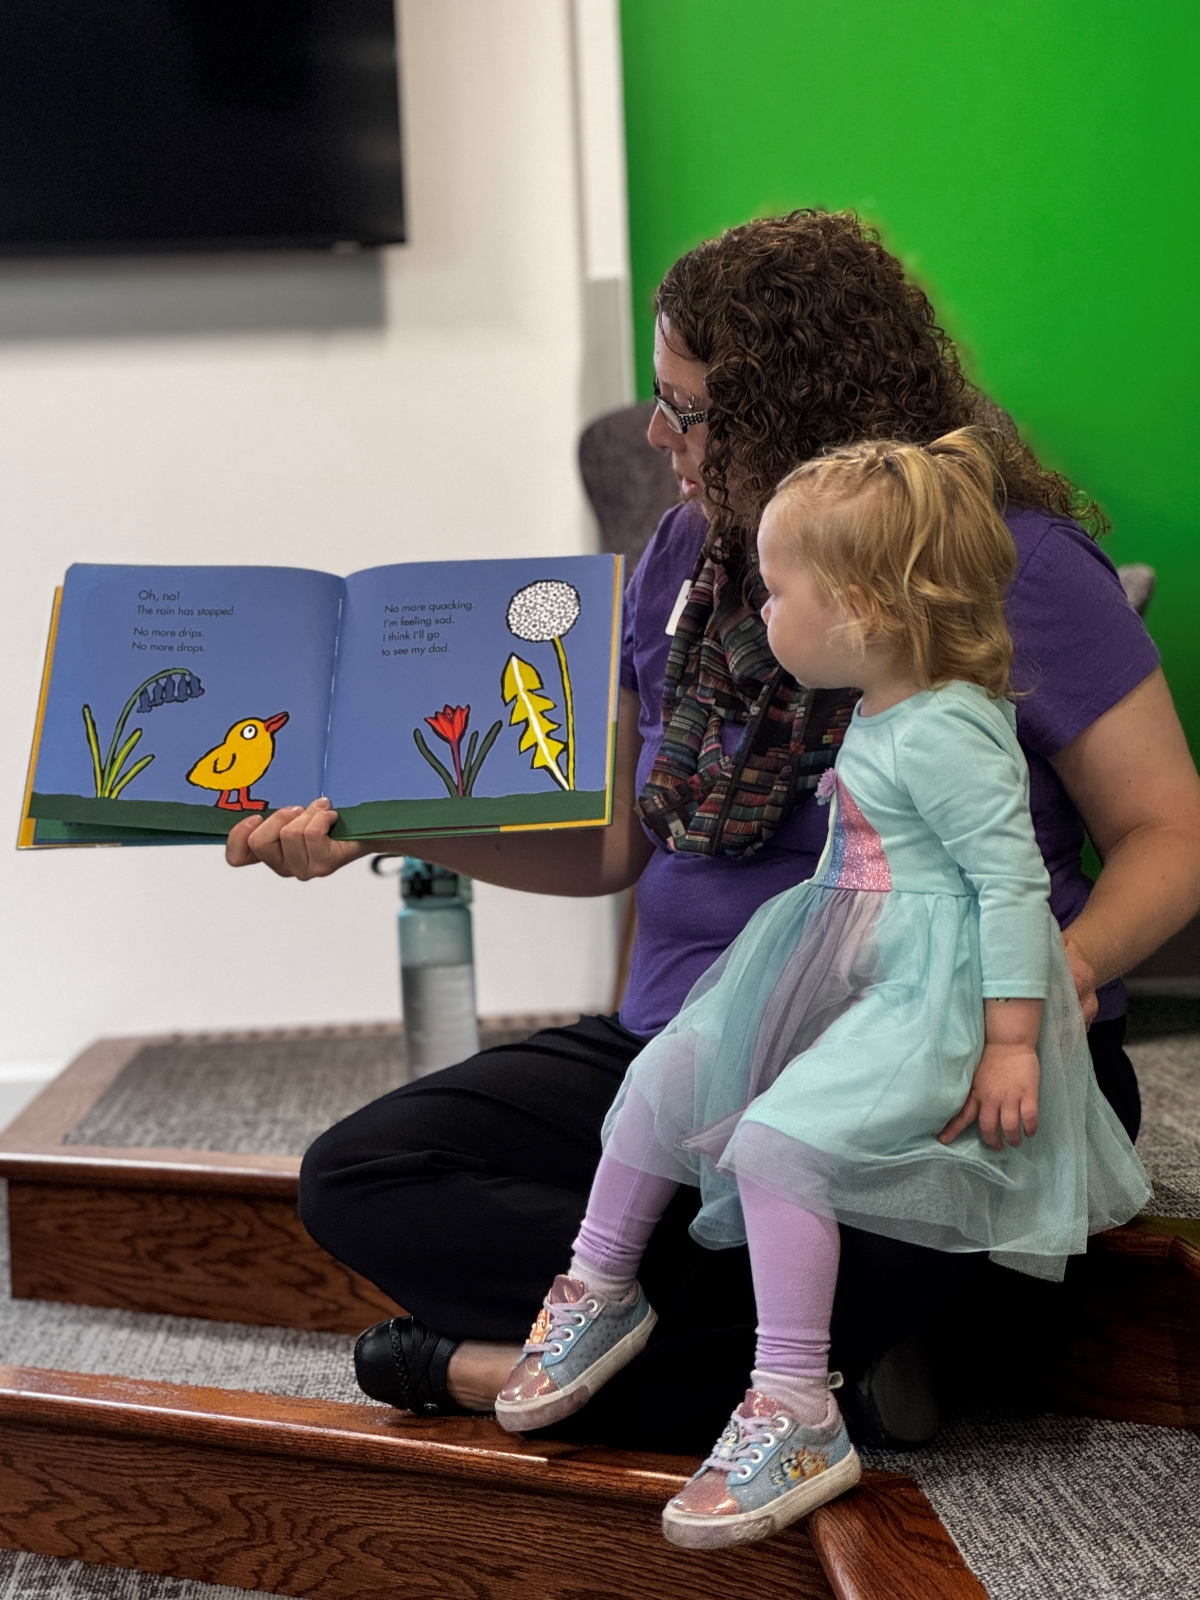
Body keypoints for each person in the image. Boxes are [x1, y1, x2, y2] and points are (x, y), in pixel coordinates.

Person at [226, 211, 1200, 1451]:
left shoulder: (1007, 565)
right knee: (359, 1173)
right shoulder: (685, 558)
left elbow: (1172, 831)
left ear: (792, 411)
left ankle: (491, 1370)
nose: (656, 437)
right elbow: (616, 845)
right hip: (695, 1036)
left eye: (687, 411)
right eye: (660, 399)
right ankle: (814, 1350)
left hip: (941, 1051)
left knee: (771, 1264)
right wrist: (380, 828)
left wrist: (1047, 981)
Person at [489, 431, 1151, 1549]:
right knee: (666, 1073)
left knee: (779, 1142)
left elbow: (1007, 885)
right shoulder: (885, 702)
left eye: (781, 592)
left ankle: (797, 1404)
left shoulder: (950, 728)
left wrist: (1008, 1042)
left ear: (861, 609)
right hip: (848, 957)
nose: (763, 617)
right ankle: (599, 1285)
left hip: (933, 993)